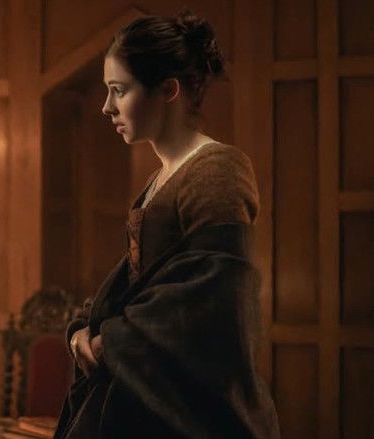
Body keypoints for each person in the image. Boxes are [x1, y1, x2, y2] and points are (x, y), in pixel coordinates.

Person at [54, 11, 280, 439]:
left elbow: (210, 297)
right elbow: (136, 282)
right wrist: (85, 328)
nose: (106, 106)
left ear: (168, 90)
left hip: (190, 406)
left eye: (119, 90)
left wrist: (108, 341)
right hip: (141, 394)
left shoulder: (218, 168)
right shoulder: (160, 178)